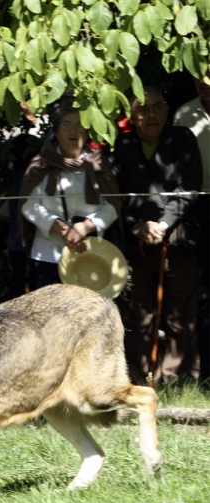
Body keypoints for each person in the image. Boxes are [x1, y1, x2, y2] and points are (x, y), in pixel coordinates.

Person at [109, 87, 203, 385]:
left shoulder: (183, 139)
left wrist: (163, 224)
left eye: (157, 107)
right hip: (136, 244)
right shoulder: (121, 145)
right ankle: (137, 378)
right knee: (138, 315)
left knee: (180, 313)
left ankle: (173, 380)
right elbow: (113, 197)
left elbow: (189, 187)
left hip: (178, 240)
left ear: (166, 110)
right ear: (132, 116)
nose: (151, 115)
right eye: (143, 108)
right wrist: (137, 226)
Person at [20, 100, 119, 291]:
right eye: (67, 125)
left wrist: (85, 227)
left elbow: (113, 205)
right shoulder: (41, 165)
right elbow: (28, 205)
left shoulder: (98, 164)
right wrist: (62, 230)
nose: (74, 131)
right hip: (47, 256)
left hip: (90, 256)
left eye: (80, 124)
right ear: (56, 132)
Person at [174, 74, 210, 382]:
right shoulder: (185, 114)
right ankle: (203, 370)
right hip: (196, 206)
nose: (204, 84)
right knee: (201, 290)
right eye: (200, 79)